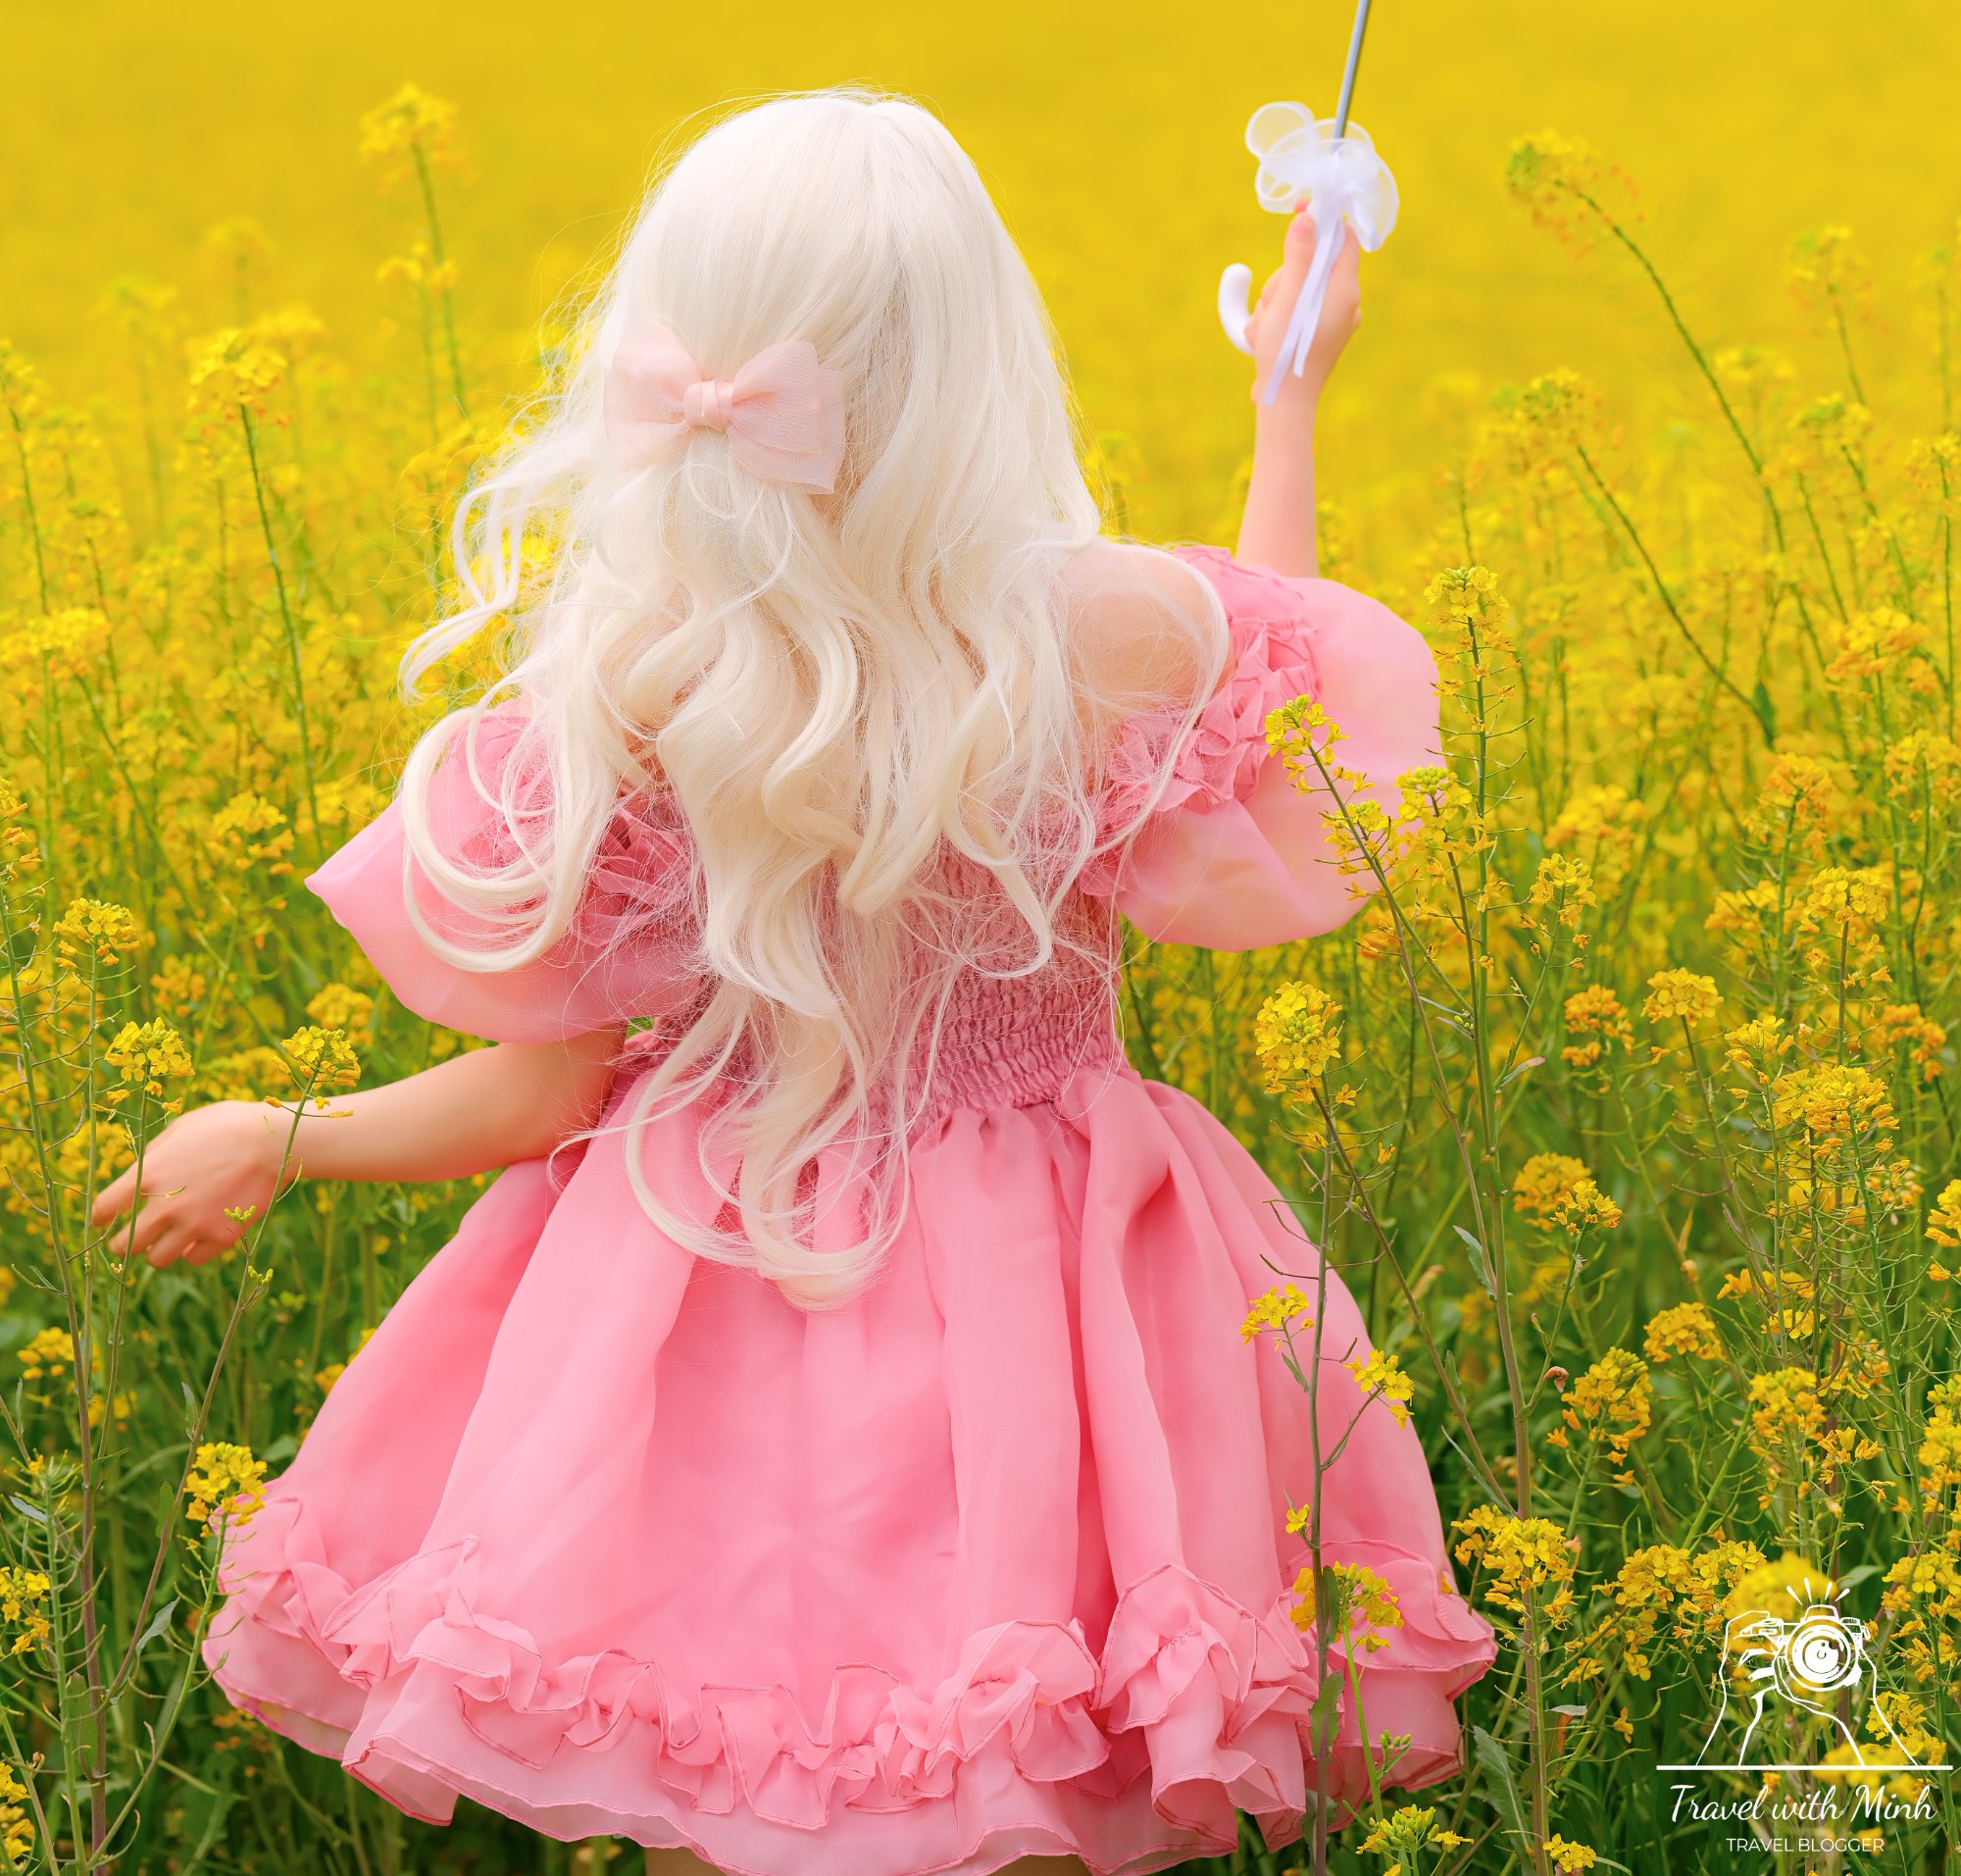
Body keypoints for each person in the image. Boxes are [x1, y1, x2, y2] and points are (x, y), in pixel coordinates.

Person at [95, 93, 1492, 1876]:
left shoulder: (639, 682)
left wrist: (277, 1136)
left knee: (718, 1787)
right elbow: (1283, 695)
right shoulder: (1096, 636)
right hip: (1062, 1294)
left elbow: (535, 1097)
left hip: (709, 1302)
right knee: (1035, 1768)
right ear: (978, 359)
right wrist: (1285, 402)